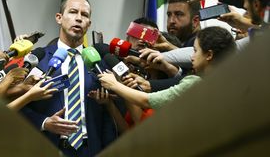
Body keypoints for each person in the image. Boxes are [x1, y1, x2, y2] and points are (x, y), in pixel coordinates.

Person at [21, 0, 117, 157]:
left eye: (84, 15)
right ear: (59, 18)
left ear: (89, 24)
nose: (79, 18)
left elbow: (107, 114)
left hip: (90, 149)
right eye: (73, 12)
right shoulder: (40, 59)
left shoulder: (99, 63)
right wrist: (44, 123)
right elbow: (20, 106)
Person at [98, 26, 236, 110]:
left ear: (209, 55)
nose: (192, 57)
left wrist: (114, 84)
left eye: (195, 51)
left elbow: (146, 100)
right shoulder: (233, 84)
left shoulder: (196, 84)